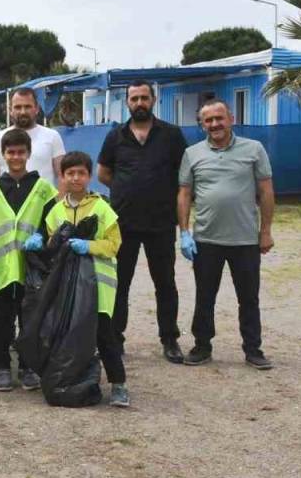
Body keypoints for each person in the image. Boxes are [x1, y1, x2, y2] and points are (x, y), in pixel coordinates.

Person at [24, 151, 129, 407]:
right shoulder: (56, 210)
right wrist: (42, 241)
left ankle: (118, 384)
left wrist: (89, 246)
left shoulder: (102, 208)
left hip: (98, 284)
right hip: (68, 286)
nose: (75, 178)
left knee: (104, 333)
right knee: (68, 333)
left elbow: (114, 245)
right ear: (62, 176)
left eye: (81, 173)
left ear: (89, 176)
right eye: (70, 173)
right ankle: (70, 379)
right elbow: (51, 242)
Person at [177, 99, 275, 370]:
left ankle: (253, 349)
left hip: (245, 240)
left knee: (249, 298)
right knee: (204, 296)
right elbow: (184, 193)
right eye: (208, 120)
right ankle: (202, 346)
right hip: (206, 240)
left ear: (231, 118)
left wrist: (265, 231)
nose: (214, 124)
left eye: (219, 118)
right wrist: (184, 232)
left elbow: (266, 191)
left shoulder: (254, 149)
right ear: (202, 125)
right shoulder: (192, 154)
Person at [96, 80, 189, 362]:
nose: (139, 103)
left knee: (165, 283)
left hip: (161, 223)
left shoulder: (171, 135)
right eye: (134, 98)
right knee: (119, 284)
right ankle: (114, 339)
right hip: (123, 223)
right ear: (127, 102)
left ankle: (170, 339)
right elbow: (103, 173)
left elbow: (183, 175)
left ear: (153, 100)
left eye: (144, 98)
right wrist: (126, 190)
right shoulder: (115, 136)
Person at [0, 129, 58, 391]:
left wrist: (41, 237)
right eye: (10, 152)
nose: (16, 157)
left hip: (31, 268)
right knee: (1, 321)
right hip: (2, 269)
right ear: (3, 155)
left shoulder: (43, 188)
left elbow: (52, 223)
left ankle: (28, 368)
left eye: (20, 152)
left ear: (29, 153)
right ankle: (3, 367)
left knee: (30, 321)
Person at [0, 88, 66, 188]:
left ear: (37, 109)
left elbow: (62, 175)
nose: (23, 112)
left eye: (27, 107)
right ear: (10, 110)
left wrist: (62, 197)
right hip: (7, 197)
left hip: (43, 198)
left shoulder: (52, 136)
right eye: (18, 107)